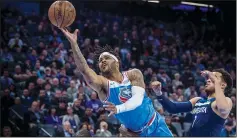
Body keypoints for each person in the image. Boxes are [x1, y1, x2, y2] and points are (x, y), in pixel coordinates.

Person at [59, 28, 172, 136]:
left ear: (116, 62)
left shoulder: (133, 74)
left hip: (156, 125)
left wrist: (118, 108)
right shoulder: (103, 85)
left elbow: (137, 99)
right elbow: (85, 70)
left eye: (106, 58)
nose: (102, 60)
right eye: (100, 60)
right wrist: (74, 44)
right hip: (135, 134)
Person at [151, 69, 233, 136]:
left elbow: (222, 108)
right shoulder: (197, 100)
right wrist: (159, 93)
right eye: (208, 77)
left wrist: (214, 80)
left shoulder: (227, 100)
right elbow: (172, 108)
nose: (208, 79)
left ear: (222, 85)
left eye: (214, 77)